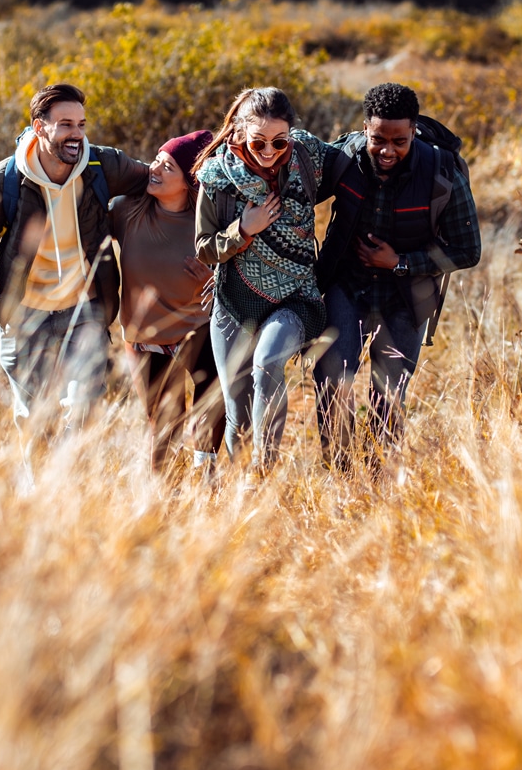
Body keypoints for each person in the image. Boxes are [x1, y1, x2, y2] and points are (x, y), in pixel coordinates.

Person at [0, 83, 148, 426]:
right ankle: (39, 482)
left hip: (84, 310)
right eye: (65, 125)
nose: (76, 134)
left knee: (84, 410)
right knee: (35, 420)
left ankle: (72, 478)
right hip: (25, 314)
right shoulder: (6, 180)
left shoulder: (101, 165)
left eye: (81, 124)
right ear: (39, 126)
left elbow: (160, 180)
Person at [313, 82, 482, 467]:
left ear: (414, 130)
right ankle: (338, 472)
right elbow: (298, 196)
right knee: (330, 380)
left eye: (399, 141)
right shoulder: (345, 157)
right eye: (378, 139)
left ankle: (379, 478)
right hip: (348, 286)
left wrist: (400, 262)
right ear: (365, 129)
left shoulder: (441, 172)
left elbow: (468, 250)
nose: (388, 150)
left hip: (408, 297)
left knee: (388, 395)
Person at [194, 86, 332, 473]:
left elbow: (362, 153)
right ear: (238, 132)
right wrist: (243, 229)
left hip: (296, 298)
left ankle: (262, 473)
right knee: (237, 407)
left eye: (279, 141)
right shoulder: (217, 177)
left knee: (268, 362)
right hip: (235, 300)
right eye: (258, 142)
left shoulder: (307, 157)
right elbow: (205, 248)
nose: (270, 151)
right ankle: (243, 491)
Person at [111, 130, 225, 475]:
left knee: (213, 407)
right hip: (146, 339)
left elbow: (238, 271)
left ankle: (206, 478)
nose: (155, 169)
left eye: (168, 167)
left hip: (197, 330)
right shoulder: (125, 211)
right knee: (164, 423)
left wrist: (215, 281)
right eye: (157, 160)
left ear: (190, 181)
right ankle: (166, 502)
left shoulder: (208, 221)